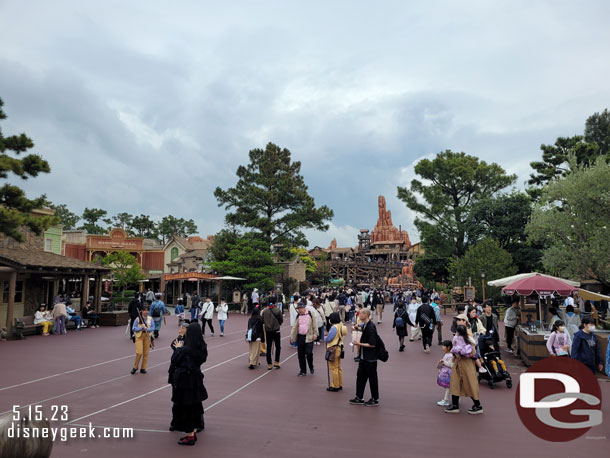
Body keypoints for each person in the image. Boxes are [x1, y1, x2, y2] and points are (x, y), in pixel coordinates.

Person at [169, 322, 208, 445]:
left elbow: (174, 360)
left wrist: (179, 348)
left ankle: (190, 435)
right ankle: (194, 431)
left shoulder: (185, 349)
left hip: (185, 381)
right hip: (196, 379)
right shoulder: (202, 346)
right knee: (195, 405)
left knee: (186, 407)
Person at [444, 325, 483, 414]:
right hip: (459, 365)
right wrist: (456, 354)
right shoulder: (463, 340)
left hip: (466, 365)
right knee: (455, 383)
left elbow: (473, 354)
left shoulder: (469, 341)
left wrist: (460, 354)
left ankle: (477, 405)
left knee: (469, 384)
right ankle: (455, 405)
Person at [350, 308, 380, 406]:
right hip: (364, 357)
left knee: (372, 378)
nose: (359, 314)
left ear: (366, 315)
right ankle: (359, 397)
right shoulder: (366, 325)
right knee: (360, 377)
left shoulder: (371, 327)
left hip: (370, 358)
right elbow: (362, 327)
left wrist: (359, 343)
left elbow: (372, 344)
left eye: (361, 313)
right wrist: (356, 328)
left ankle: (375, 398)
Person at [290, 301, 319, 376]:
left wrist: (315, 334)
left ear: (304, 308)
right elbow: (295, 327)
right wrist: (292, 337)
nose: (299, 310)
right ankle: (303, 370)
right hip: (300, 337)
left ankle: (311, 366)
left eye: (300, 308)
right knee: (301, 355)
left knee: (309, 353)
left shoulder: (310, 314)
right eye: (298, 309)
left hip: (309, 337)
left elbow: (315, 325)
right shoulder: (298, 316)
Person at [325, 312, 347, 391]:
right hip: (340, 347)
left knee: (333, 368)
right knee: (338, 367)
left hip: (333, 348)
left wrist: (325, 338)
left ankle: (335, 386)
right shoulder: (341, 325)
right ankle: (340, 384)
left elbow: (329, 339)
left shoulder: (334, 327)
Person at [262, 297, 283, 370]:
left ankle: (269, 364)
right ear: (275, 302)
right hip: (276, 331)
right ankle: (276, 362)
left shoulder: (265, 311)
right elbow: (281, 320)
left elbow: (262, 320)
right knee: (278, 347)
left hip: (268, 331)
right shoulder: (277, 310)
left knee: (269, 347)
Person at [131, 305, 154, 374]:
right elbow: (133, 328)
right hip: (139, 337)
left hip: (147, 336)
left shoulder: (150, 319)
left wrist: (147, 329)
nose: (146, 312)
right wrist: (141, 327)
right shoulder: (137, 319)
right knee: (139, 352)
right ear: (142, 311)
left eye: (147, 310)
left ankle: (143, 368)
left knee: (146, 353)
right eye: (144, 310)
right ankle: (135, 367)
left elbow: (153, 327)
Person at [436, 340, 454, 407]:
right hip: (445, 373)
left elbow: (450, 365)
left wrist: (443, 361)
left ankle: (445, 400)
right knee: (447, 386)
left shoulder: (450, 355)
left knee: (447, 387)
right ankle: (455, 397)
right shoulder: (447, 354)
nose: (442, 347)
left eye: (444, 346)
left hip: (448, 373)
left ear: (448, 347)